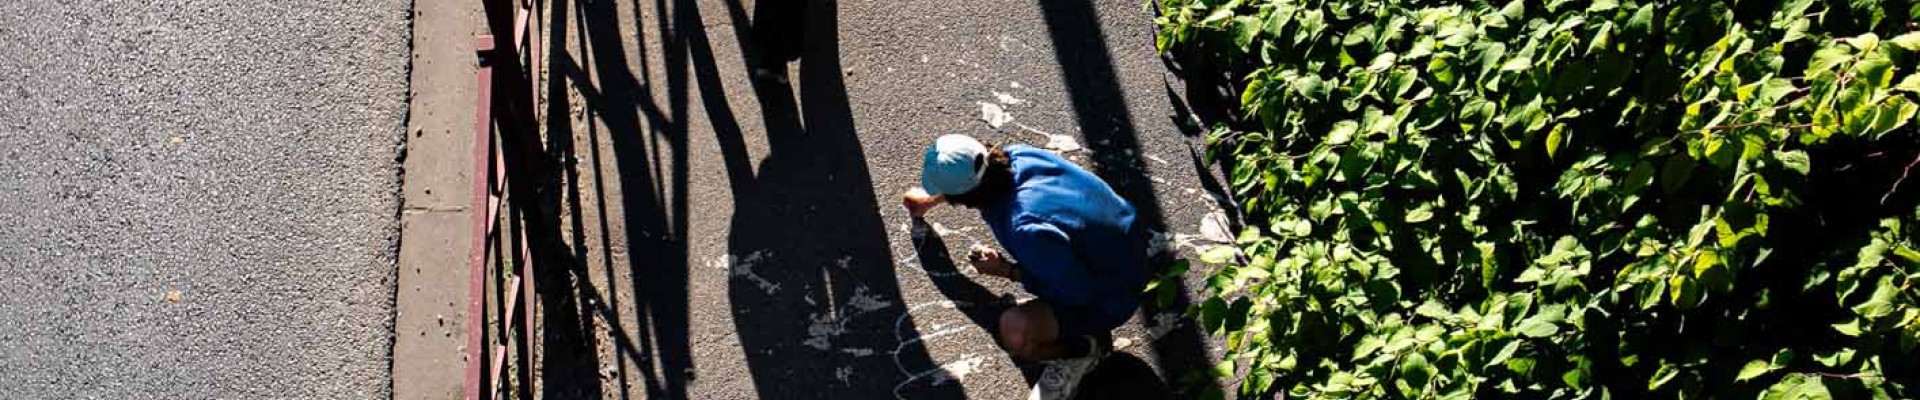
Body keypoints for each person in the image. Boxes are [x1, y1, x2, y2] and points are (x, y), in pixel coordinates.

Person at [903, 134, 1149, 400]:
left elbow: (1077, 293)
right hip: (1127, 248)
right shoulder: (1018, 156)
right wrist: (931, 199)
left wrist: (1006, 270)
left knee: (1015, 332)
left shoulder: (1026, 229)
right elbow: (975, 174)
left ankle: (1083, 350)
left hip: (1113, 294)